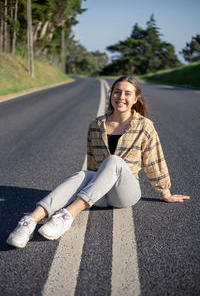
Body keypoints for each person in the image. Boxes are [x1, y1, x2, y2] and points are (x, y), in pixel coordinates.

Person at [7, 76, 190, 248]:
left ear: (135, 99)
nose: (121, 97)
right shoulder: (96, 125)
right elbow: (93, 163)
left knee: (114, 161)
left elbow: (154, 160)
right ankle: (29, 221)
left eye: (127, 93)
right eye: (117, 92)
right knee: (82, 174)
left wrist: (165, 192)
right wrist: (88, 186)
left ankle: (66, 216)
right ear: (111, 94)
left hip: (125, 193)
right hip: (100, 194)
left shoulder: (144, 126)